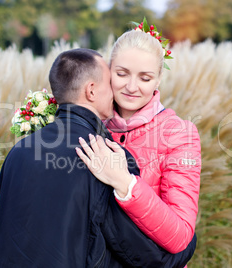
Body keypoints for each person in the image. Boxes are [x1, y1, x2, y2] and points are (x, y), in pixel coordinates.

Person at [0, 48, 197, 267]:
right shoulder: (101, 154)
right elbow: (141, 253)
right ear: (91, 91)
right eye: (111, 81)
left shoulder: (18, 152)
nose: (119, 90)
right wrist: (188, 245)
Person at [76, 27, 201, 255]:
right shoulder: (86, 125)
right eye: (122, 74)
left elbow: (180, 237)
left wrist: (125, 183)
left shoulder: (180, 134)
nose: (132, 87)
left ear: (158, 79)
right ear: (107, 72)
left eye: (145, 78)